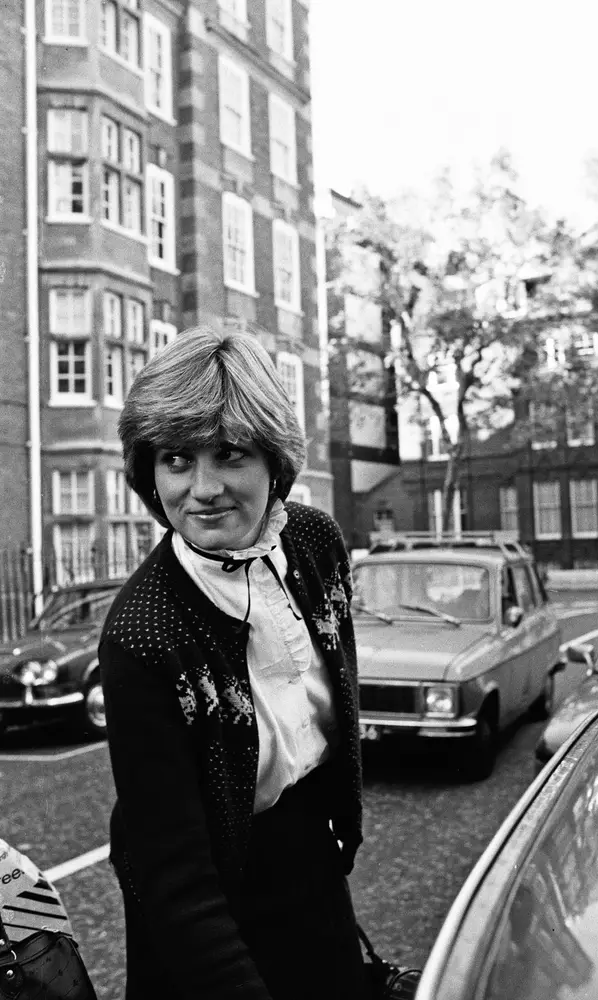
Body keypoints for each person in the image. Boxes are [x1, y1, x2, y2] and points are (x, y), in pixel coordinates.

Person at [99, 327, 366, 1000]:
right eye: (176, 460)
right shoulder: (142, 633)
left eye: (228, 454)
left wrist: (337, 826)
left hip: (308, 854)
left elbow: (334, 696)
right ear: (148, 472)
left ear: (273, 460)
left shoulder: (314, 541)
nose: (203, 488)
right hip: (203, 901)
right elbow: (176, 879)